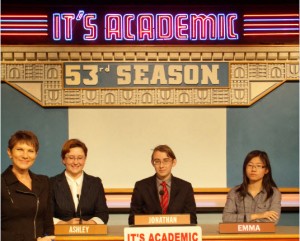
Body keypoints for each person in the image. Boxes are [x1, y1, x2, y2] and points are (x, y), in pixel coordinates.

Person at [1, 130, 55, 241]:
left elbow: (48, 222)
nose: (25, 155)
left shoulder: (44, 182)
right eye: (20, 149)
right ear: (9, 152)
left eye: (30, 151)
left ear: (36, 154)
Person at [128, 144, 197, 225]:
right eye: (157, 161)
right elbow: (133, 219)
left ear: (174, 162)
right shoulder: (141, 187)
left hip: (176, 236)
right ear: (152, 163)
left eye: (166, 160)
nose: (161, 166)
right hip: (149, 235)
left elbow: (192, 220)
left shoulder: (185, 187)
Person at [50, 138, 109, 225]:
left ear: (85, 159)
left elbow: (103, 214)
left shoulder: (95, 183)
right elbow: (46, 215)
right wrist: (64, 224)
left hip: (89, 234)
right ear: (63, 160)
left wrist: (90, 223)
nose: (76, 162)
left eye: (80, 158)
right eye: (71, 158)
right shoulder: (52, 183)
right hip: (60, 235)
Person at [222, 150, 281, 224]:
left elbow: (273, 220)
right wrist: (257, 216)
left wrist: (244, 221)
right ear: (245, 168)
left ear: (266, 170)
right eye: (250, 165)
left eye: (258, 166)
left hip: (263, 235)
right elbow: (226, 218)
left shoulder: (274, 193)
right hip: (240, 235)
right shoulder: (234, 192)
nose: (253, 169)